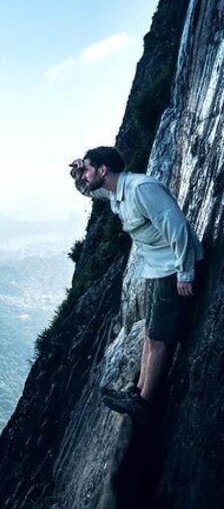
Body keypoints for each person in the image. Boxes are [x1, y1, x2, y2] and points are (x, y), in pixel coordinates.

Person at [69, 146, 203, 424]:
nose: (87, 175)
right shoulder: (115, 190)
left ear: (103, 170)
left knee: (160, 336)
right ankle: (137, 390)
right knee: (151, 334)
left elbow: (176, 226)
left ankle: (146, 402)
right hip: (157, 268)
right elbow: (87, 190)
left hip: (172, 268)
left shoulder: (141, 188)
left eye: (89, 169)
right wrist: (78, 173)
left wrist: (186, 272)